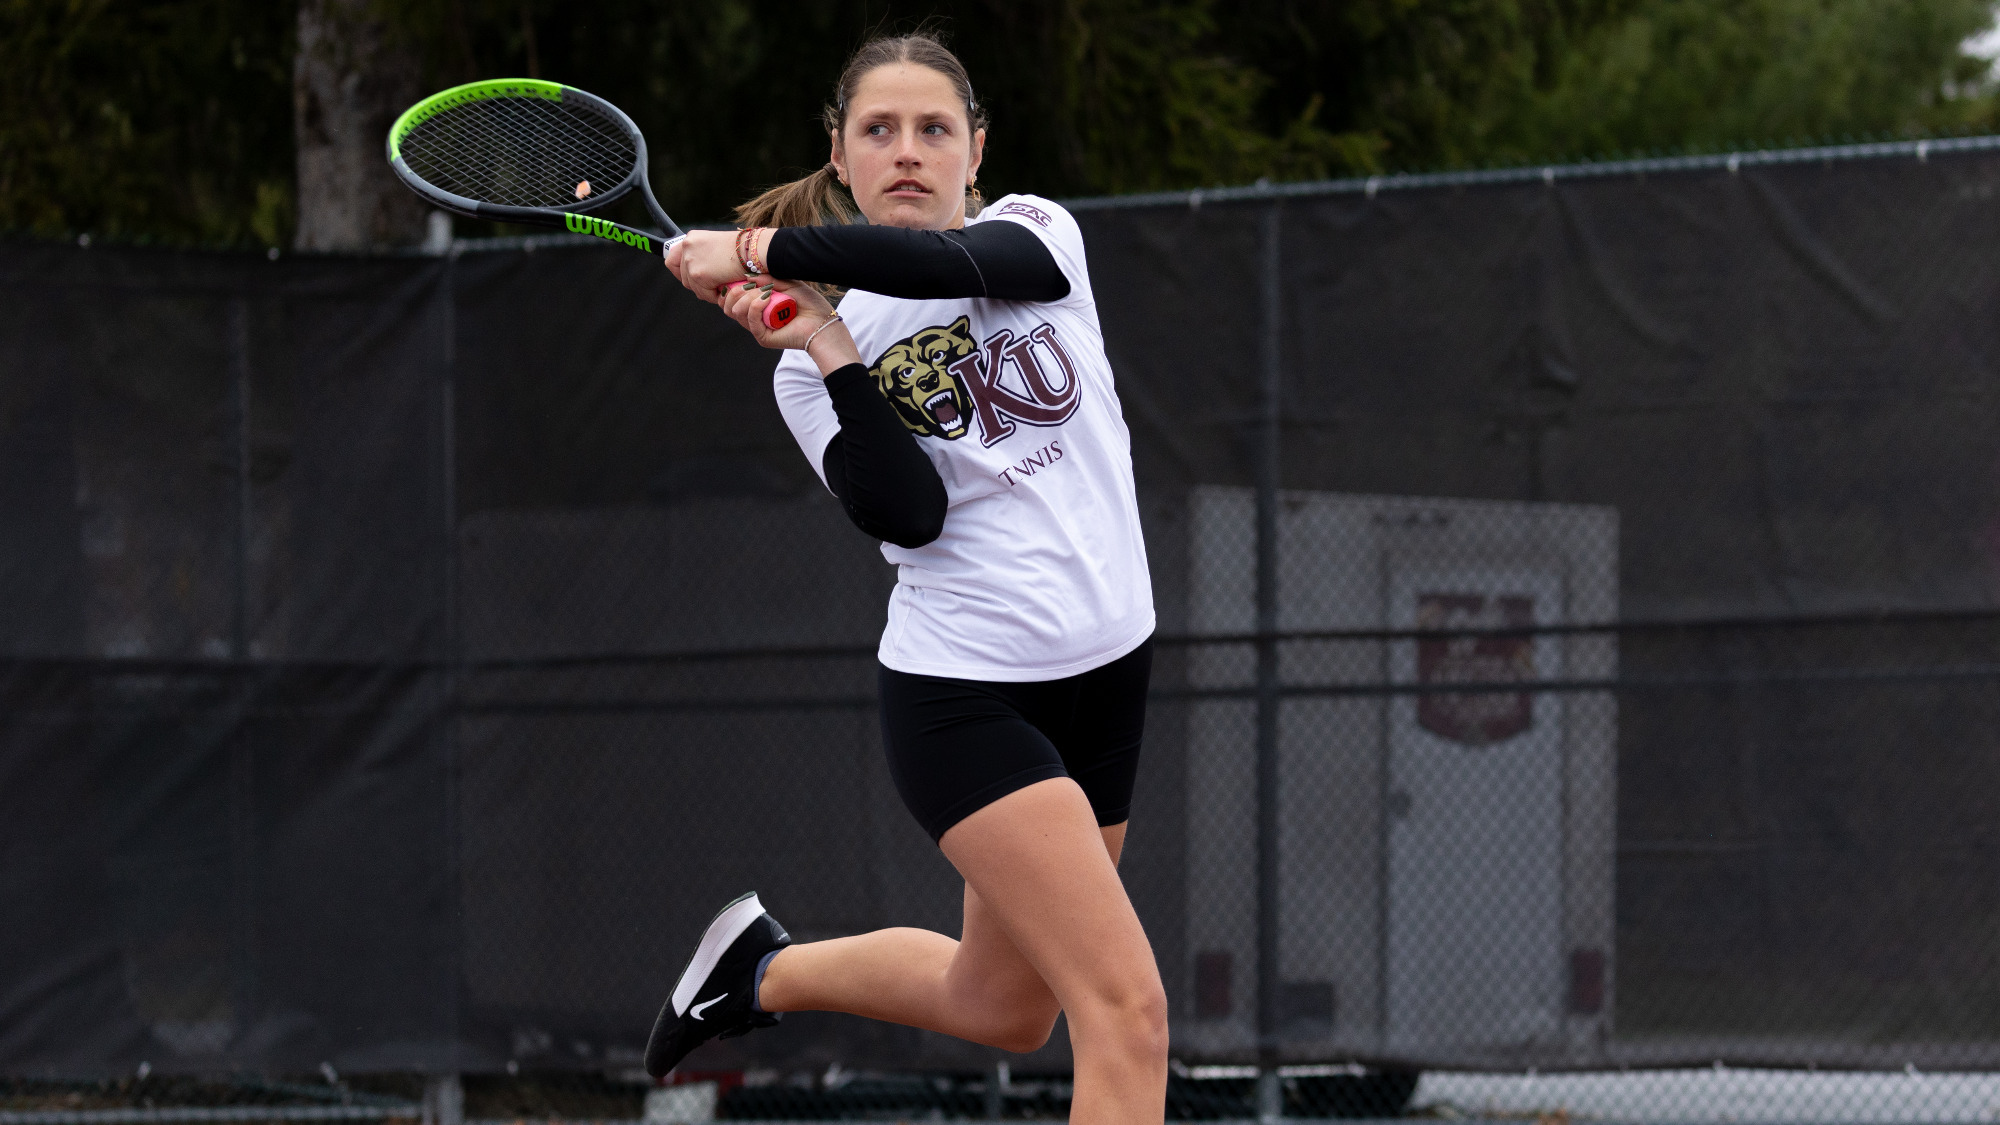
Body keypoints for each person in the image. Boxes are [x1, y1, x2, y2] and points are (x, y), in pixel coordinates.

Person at [646, 32, 1166, 1125]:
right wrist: (828, 341)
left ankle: (754, 974)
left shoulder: (1033, 235)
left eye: (934, 129)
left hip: (1106, 677)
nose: (908, 151)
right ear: (838, 156)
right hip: (964, 695)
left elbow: (946, 266)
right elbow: (909, 515)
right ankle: (749, 972)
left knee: (1003, 1006)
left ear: (978, 150)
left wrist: (755, 251)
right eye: (877, 130)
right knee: (1125, 1011)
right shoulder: (809, 361)